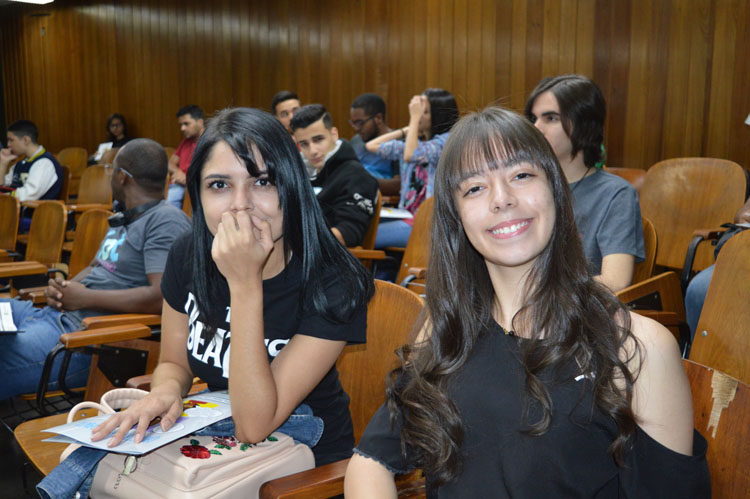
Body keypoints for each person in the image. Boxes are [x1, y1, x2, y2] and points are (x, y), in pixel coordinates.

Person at [345, 108, 709, 497]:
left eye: (521, 176)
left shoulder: (637, 348)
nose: (502, 199)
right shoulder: (445, 329)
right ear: (456, 217)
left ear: (555, 187)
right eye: (474, 188)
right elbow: (371, 461)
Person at [92, 107, 374, 467]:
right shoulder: (186, 254)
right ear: (199, 193)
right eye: (220, 185)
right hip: (215, 446)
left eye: (263, 181)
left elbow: (254, 424)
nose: (241, 206)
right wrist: (164, 392)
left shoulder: (333, 279)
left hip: (302, 468)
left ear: (292, 187)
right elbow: (176, 362)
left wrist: (244, 283)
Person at [0, 138, 190, 400]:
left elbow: (161, 297)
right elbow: (95, 267)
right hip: (52, 316)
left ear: (122, 177)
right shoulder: (125, 217)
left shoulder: (165, 221)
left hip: (86, 341)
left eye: (112, 170)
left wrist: (84, 298)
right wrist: (62, 290)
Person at [525, 75, 644, 292]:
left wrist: (542, 292)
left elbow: (616, 281)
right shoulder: (525, 188)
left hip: (579, 313)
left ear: (583, 125)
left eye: (551, 118)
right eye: (534, 118)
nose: (535, 128)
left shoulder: (615, 194)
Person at [365, 88, 458, 248]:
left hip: (429, 224)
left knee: (365, 236)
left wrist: (414, 119)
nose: (419, 115)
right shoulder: (415, 143)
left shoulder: (447, 142)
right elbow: (372, 146)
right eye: (418, 111)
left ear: (439, 115)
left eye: (424, 112)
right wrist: (405, 130)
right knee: (365, 227)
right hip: (406, 216)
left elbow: (411, 155)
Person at [291, 104, 379, 247]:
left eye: (318, 139)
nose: (312, 150)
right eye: (304, 144)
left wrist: (295, 245)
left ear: (334, 134)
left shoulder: (356, 176)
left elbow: (348, 233)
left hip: (326, 261)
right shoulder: (299, 172)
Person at [685, 196, 750, 336]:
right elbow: (742, 216)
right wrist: (745, 216)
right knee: (700, 288)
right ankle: (701, 354)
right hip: (745, 252)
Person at [0, 119, 63, 201]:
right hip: (17, 211)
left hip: (38, 212)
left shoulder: (44, 163)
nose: (8, 145)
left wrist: (4, 196)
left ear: (26, 140)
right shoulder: (20, 164)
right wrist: (3, 163)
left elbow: (29, 195)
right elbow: (2, 186)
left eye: (11, 140)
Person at [349, 93, 397, 180]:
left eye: (360, 123)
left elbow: (399, 185)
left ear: (378, 118)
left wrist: (363, 181)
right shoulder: (356, 141)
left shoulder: (398, 142)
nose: (356, 128)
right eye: (353, 123)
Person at [167, 105, 205, 208]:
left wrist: (187, 178)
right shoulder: (185, 142)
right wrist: (177, 172)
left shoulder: (208, 142)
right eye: (180, 125)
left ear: (200, 122)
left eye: (186, 124)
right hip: (177, 184)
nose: (182, 128)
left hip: (194, 186)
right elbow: (170, 164)